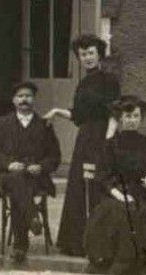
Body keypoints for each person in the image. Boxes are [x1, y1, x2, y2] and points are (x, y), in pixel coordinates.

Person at [48, 34, 120, 256]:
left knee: (98, 186)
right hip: (85, 138)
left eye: (91, 53)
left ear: (99, 54)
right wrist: (57, 111)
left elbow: (114, 113)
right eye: (82, 54)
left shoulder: (109, 80)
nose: (87, 58)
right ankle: (77, 242)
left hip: (102, 137)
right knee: (80, 187)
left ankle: (100, 243)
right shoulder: (83, 83)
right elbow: (78, 115)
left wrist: (108, 142)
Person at [84, 95, 146, 275]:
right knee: (123, 214)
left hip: (139, 193)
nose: (132, 120)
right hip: (113, 194)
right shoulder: (110, 144)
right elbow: (103, 176)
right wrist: (120, 195)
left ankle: (139, 265)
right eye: (128, 116)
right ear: (120, 118)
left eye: (136, 116)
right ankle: (120, 263)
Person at [0, 80, 62, 266]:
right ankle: (32, 216)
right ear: (14, 100)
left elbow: (55, 156)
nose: (24, 100)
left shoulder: (44, 125)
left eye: (28, 96)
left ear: (33, 99)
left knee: (19, 189)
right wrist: (8, 164)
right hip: (8, 176)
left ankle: (20, 246)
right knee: (17, 180)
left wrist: (41, 167)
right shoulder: (2, 123)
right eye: (20, 96)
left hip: (35, 178)